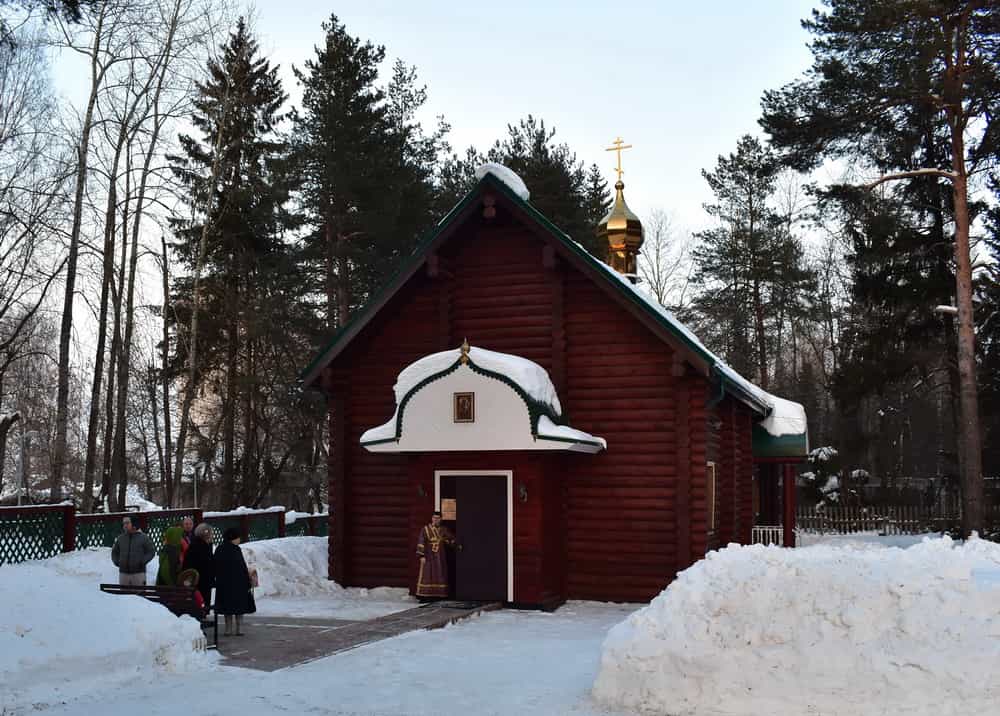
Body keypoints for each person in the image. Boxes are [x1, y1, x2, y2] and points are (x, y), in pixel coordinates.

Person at [213, 527, 256, 636]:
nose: (239, 539)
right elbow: (242, 566)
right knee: (239, 607)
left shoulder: (220, 549)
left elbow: (215, 565)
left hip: (224, 583)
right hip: (238, 583)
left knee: (227, 607)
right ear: (232, 538)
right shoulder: (236, 549)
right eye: (238, 537)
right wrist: (247, 580)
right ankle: (239, 629)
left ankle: (228, 629)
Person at [415, 511, 455, 600]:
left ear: (441, 519)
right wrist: (421, 556)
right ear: (432, 518)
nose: (436, 520)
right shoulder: (425, 529)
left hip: (440, 555)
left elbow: (450, 539)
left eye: (438, 518)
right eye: (434, 518)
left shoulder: (443, 529)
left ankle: (439, 594)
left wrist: (453, 543)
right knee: (427, 573)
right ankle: (425, 595)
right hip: (428, 555)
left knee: (440, 572)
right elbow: (421, 542)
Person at [111, 516, 155, 586]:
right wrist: (117, 562)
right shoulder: (120, 538)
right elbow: (114, 552)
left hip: (139, 573)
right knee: (123, 595)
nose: (125, 525)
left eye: (127, 523)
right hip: (123, 573)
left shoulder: (143, 537)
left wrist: (142, 561)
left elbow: (151, 552)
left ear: (134, 524)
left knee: (139, 595)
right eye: (124, 523)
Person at [183, 523, 215, 607]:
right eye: (211, 534)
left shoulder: (197, 544)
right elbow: (207, 564)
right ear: (206, 535)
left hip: (198, 580)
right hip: (200, 581)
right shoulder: (201, 546)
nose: (213, 536)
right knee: (201, 604)